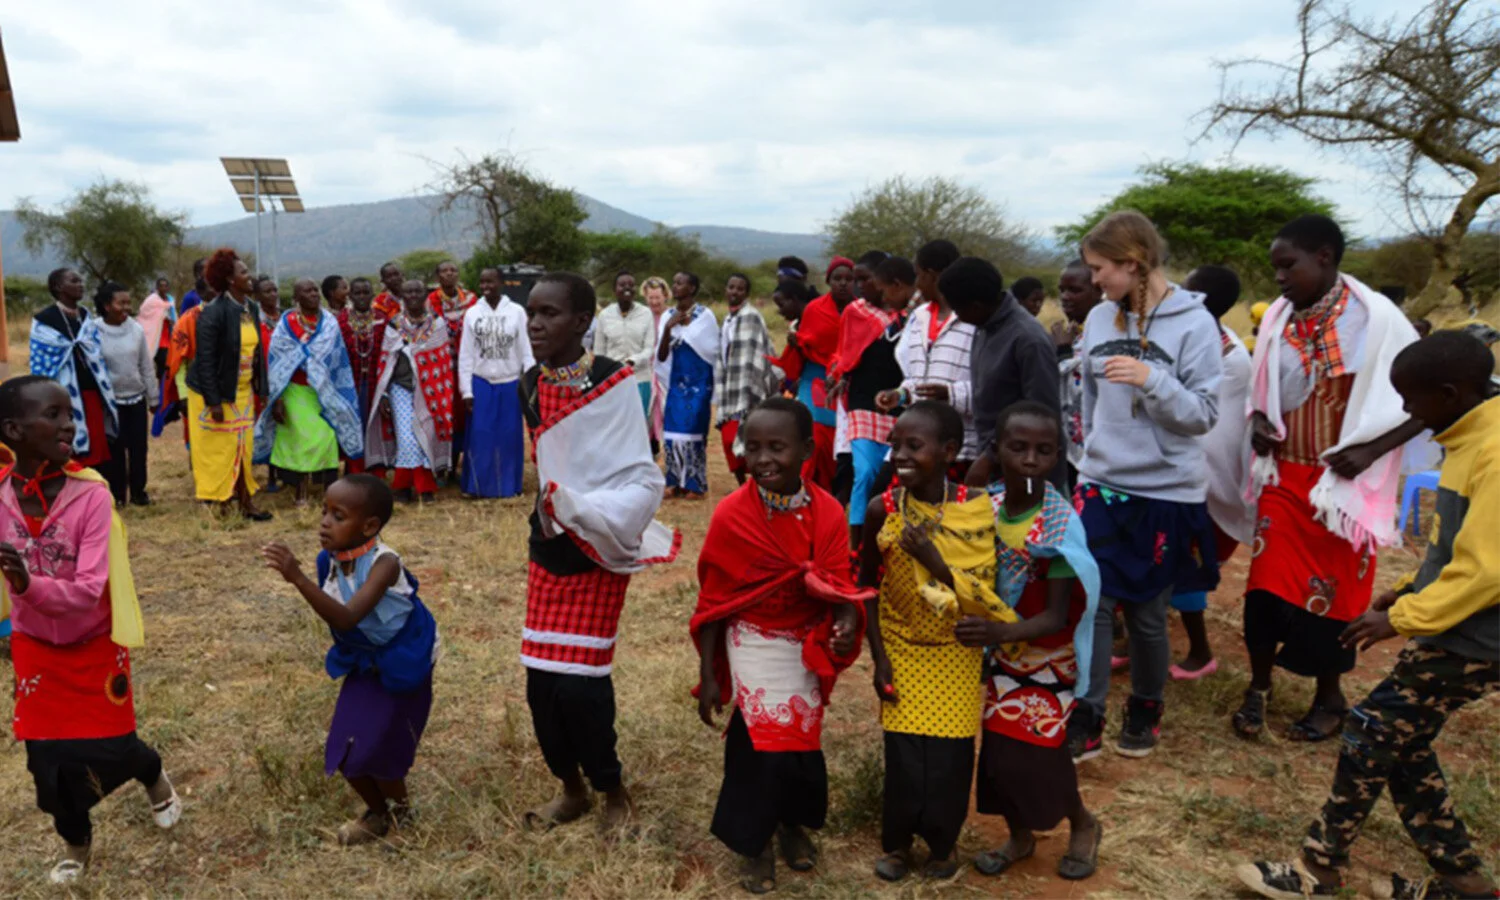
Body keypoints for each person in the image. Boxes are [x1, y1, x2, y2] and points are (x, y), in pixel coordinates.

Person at [1236, 331, 1498, 900]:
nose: (1405, 412)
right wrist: (1408, 589)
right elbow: (1457, 548)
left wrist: (1404, 617)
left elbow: (1487, 571)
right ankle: (1465, 884)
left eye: (1412, 399)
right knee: (1404, 740)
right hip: (1462, 622)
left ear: (1451, 393)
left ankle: (1318, 868)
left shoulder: (1495, 450)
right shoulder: (1470, 435)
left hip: (1482, 634)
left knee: (1373, 727)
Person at [1235, 214, 1423, 743]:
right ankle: (1259, 687)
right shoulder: (1278, 319)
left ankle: (1329, 698)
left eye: (1287, 265)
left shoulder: (1378, 322)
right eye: (1275, 268)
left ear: (1324, 256)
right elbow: (1261, 395)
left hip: (1340, 492)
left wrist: (1370, 451)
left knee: (1333, 596)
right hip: (1284, 478)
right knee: (1265, 587)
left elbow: (1427, 400)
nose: (1280, 278)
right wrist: (1257, 426)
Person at [0, 376, 181, 885]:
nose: (68, 425)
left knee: (113, 747)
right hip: (34, 645)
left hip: (94, 640)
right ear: (13, 430)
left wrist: (24, 581)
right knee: (47, 762)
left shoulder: (91, 496)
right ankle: (76, 843)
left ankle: (149, 770)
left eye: (69, 414)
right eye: (52, 415)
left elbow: (86, 589)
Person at [518, 271, 679, 834]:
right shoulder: (528, 385)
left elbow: (637, 472)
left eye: (550, 314)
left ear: (583, 322)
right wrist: (556, 509)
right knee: (541, 686)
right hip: (549, 544)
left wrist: (588, 512)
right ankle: (571, 788)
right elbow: (552, 462)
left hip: (601, 544)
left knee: (582, 686)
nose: (535, 324)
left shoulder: (614, 381)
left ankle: (614, 792)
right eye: (531, 312)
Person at [692, 398, 870, 893]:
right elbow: (714, 602)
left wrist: (844, 623)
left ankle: (793, 824)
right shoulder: (732, 515)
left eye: (778, 447)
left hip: (804, 642)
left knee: (800, 744)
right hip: (750, 638)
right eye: (753, 446)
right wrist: (709, 673)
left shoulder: (829, 513)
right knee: (758, 748)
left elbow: (840, 587)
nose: (763, 458)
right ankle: (755, 844)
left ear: (808, 450)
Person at [1069, 210, 1223, 762]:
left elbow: (1204, 414)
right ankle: (1086, 714)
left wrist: (1153, 379)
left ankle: (1146, 709)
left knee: (1147, 616)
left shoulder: (1194, 325)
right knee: (1091, 604)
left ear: (1132, 264)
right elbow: (1087, 398)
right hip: (1102, 484)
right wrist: (1089, 453)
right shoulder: (1098, 321)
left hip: (1165, 492)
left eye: (1101, 268)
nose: (1094, 280)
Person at [858, 401, 1017, 882]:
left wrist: (937, 561)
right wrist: (879, 658)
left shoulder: (976, 509)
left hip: (958, 653)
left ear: (949, 451)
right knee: (904, 756)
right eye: (895, 444)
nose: (899, 454)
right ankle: (898, 845)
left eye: (914, 445)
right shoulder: (880, 509)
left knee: (949, 760)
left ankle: (942, 846)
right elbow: (866, 589)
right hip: (902, 650)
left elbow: (986, 595)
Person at [261, 474, 438, 847]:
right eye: (324, 511)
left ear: (369, 526)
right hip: (365, 658)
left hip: (404, 658)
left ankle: (404, 819)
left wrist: (296, 578)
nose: (325, 521)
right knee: (345, 749)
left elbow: (347, 618)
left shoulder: (384, 564)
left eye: (338, 515)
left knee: (382, 747)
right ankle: (378, 813)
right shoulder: (330, 561)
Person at [969, 401, 1102, 882]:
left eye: (1044, 451)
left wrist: (1000, 634)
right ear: (997, 449)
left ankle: (1083, 824)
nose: (1029, 460)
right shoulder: (988, 507)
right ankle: (1020, 836)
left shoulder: (1060, 525)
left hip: (1048, 657)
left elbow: (1054, 613)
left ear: (1058, 456)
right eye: (1017, 447)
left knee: (1043, 754)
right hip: (1000, 652)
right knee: (1002, 758)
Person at [1166, 265, 1255, 679]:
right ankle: (1144, 641)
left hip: (1203, 481)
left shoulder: (1227, 356)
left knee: (1186, 567)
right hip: (1187, 474)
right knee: (1164, 563)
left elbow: (1198, 419)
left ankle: (1200, 653)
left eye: (1187, 290)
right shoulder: (1211, 341)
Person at [944, 258, 1061, 489]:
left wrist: (989, 458)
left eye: (958, 310)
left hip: (1027, 472)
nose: (957, 317)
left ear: (975, 306)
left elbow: (1043, 414)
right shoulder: (983, 327)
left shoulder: (1029, 339)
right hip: (996, 462)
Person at [254, 278, 364, 507]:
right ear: (296, 297)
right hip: (294, 391)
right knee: (302, 440)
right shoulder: (286, 323)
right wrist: (277, 399)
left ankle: (329, 494)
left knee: (328, 437)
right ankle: (300, 493)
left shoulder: (330, 322)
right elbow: (276, 362)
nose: (314, 294)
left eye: (315, 290)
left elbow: (337, 359)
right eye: (307, 291)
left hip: (324, 392)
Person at [186, 249, 271, 521]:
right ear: (230, 279)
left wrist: (263, 390)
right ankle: (219, 504)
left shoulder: (251, 308)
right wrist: (213, 401)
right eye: (244, 272)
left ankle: (246, 503)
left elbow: (258, 354)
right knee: (217, 451)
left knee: (243, 447)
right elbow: (206, 360)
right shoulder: (214, 312)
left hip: (242, 391)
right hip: (213, 393)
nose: (250, 277)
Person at [830, 256, 910, 547]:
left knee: (885, 473)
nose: (859, 286)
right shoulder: (855, 312)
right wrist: (839, 375)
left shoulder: (910, 318)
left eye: (866, 280)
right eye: (857, 280)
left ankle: (883, 538)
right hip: (862, 401)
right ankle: (857, 544)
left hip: (899, 402)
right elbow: (845, 353)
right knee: (863, 472)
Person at [888, 250, 979, 475]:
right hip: (919, 445)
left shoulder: (972, 320)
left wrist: (950, 394)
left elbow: (990, 387)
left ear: (932, 276)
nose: (917, 284)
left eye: (919, 276)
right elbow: (917, 378)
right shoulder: (919, 317)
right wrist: (900, 395)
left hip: (961, 449)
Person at [365, 279, 455, 503]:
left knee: (425, 433)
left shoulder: (437, 324)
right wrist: (384, 394)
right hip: (400, 389)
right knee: (407, 438)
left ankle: (404, 487)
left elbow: (443, 363)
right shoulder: (394, 325)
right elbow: (385, 362)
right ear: (402, 296)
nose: (413, 295)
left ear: (425, 293)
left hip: (429, 391)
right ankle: (422, 488)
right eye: (408, 291)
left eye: (418, 290)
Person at [29, 268, 117, 470]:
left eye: (80, 280)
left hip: (92, 393)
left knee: (96, 446)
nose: (81, 284)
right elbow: (41, 363)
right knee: (71, 446)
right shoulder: (44, 320)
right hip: (64, 398)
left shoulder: (85, 317)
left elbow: (95, 352)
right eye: (74, 281)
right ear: (59, 287)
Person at [458, 267, 532, 499]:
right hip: (481, 383)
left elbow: (526, 349)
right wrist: (466, 391)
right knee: (482, 434)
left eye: (491, 282)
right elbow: (466, 354)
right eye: (482, 282)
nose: (486, 286)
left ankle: (509, 486)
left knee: (509, 435)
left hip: (510, 382)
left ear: (501, 283)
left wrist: (530, 382)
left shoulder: (517, 312)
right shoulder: (472, 313)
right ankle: (478, 487)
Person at [93, 282, 157, 507]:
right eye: (121, 303)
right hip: (110, 404)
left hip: (136, 398)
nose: (126, 307)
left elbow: (145, 365)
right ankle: (117, 495)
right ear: (107, 305)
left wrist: (154, 396)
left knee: (139, 448)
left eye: (128, 302)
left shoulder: (136, 329)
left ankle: (139, 491)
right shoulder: (94, 331)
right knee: (115, 450)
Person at [795, 258, 857, 491]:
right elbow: (803, 344)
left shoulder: (861, 310)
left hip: (846, 380)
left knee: (836, 441)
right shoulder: (814, 308)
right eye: (837, 279)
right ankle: (799, 487)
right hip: (816, 378)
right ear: (828, 280)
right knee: (813, 435)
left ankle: (827, 493)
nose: (843, 283)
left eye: (848, 279)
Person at [656, 271, 718, 499]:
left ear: (692, 288)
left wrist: (687, 329)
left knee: (693, 430)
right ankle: (673, 481)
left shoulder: (705, 316)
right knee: (672, 432)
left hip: (700, 383)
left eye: (680, 283)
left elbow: (711, 350)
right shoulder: (667, 316)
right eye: (674, 282)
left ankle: (694, 483)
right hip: (677, 382)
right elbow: (661, 357)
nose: (675, 286)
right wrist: (668, 330)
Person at [714, 273, 776, 486]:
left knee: (747, 440)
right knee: (729, 439)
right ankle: (743, 485)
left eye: (740, 289)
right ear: (726, 289)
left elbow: (758, 353)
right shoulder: (727, 319)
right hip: (731, 387)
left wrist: (753, 385)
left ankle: (757, 484)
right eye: (731, 287)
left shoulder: (751, 316)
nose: (734, 292)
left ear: (746, 293)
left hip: (748, 387)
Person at [1054, 259, 1106, 476]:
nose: (1065, 297)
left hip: (1098, 454)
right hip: (1069, 451)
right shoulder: (1076, 333)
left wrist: (1063, 352)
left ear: (1098, 291)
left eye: (1074, 290)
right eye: (1062, 291)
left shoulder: (1105, 334)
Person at [429, 259, 477, 473]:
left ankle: (462, 465)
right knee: (444, 414)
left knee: (465, 417)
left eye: (453, 270)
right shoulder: (429, 302)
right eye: (444, 271)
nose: (449, 274)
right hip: (440, 370)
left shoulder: (471, 300)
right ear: (437, 276)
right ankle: (443, 465)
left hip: (467, 368)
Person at [593, 271, 656, 432]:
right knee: (614, 425)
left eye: (631, 285)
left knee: (638, 426)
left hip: (640, 378)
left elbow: (649, 348)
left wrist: (634, 360)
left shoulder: (645, 313)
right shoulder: (605, 316)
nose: (627, 288)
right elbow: (599, 351)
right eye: (622, 285)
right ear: (615, 290)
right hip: (613, 380)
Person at [338, 277, 385, 475]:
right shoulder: (340, 320)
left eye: (366, 292)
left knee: (374, 424)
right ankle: (354, 469)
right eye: (357, 293)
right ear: (350, 296)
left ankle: (376, 469)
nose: (362, 297)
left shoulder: (382, 318)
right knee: (353, 423)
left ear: (372, 295)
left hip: (376, 381)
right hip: (350, 382)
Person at [641, 275, 671, 456]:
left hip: (666, 374)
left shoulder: (671, 316)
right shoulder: (642, 317)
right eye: (650, 298)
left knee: (667, 414)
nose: (654, 302)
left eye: (657, 298)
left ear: (665, 296)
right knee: (647, 416)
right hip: (646, 372)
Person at [137, 277, 177, 382]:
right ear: (157, 287)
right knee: (159, 364)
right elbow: (144, 313)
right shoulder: (151, 300)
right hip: (154, 337)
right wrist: (163, 315)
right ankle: (158, 389)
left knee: (165, 366)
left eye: (165, 285)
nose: (163, 288)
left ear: (168, 288)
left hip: (167, 336)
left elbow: (173, 317)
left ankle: (163, 390)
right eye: (161, 285)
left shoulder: (170, 300)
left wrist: (170, 320)